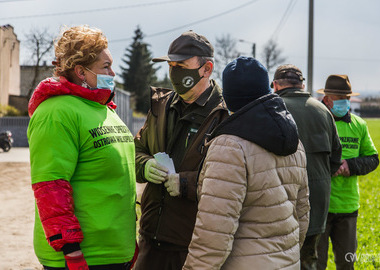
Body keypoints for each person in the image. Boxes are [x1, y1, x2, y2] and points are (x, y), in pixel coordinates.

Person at [182, 56, 310, 270]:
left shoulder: (230, 146)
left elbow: (214, 231)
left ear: (228, 98)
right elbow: (303, 213)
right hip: (288, 262)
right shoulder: (294, 140)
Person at [27, 25, 137, 270]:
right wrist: (71, 251)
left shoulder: (103, 108)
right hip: (84, 257)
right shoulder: (56, 112)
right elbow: (51, 184)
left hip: (116, 250)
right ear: (80, 71)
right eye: (105, 67)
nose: (113, 72)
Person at [133, 30, 229, 270]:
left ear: (206, 69)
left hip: (194, 246)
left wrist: (186, 183)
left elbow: (232, 182)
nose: (175, 72)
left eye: (182, 65)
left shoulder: (224, 115)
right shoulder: (161, 105)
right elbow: (135, 151)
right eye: (171, 65)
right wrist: (144, 166)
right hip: (151, 239)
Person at [271, 64, 342, 270]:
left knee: (278, 261)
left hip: (281, 199)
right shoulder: (322, 110)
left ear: (275, 85)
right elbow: (336, 157)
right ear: (302, 85)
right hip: (316, 202)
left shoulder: (272, 108)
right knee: (308, 260)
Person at [316, 74, 379, 269]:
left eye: (348, 98)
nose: (345, 102)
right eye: (340, 98)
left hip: (348, 207)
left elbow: (373, 159)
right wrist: (328, 167)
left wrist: (348, 166)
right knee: (316, 264)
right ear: (327, 99)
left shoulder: (358, 125)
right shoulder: (317, 123)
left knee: (346, 264)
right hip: (320, 208)